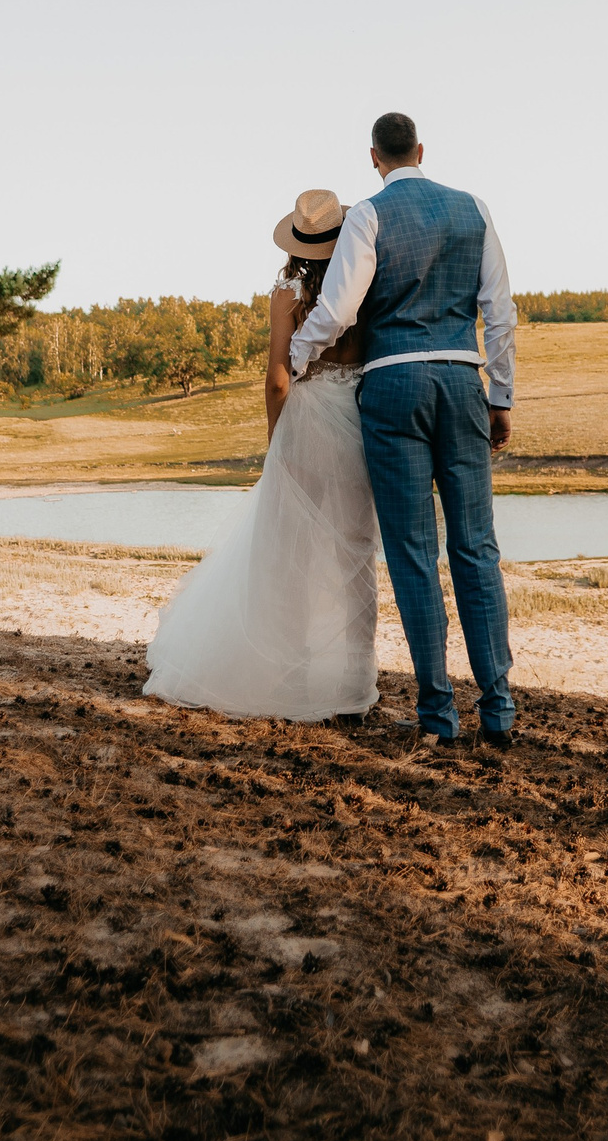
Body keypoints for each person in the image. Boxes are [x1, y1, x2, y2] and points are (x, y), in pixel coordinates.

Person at [289, 112, 518, 752]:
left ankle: (438, 717)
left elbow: (337, 310)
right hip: (461, 380)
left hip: (393, 388)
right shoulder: (474, 209)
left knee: (414, 555)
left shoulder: (368, 214)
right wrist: (500, 396)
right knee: (477, 549)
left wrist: (297, 357)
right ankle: (498, 710)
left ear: (374, 158)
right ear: (421, 149)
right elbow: (499, 313)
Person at [142, 189, 382, 722]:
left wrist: (277, 445)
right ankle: (356, 685)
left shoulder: (288, 292)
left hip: (307, 425)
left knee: (291, 554)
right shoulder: (366, 286)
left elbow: (278, 378)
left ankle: (294, 672)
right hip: (358, 424)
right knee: (356, 554)